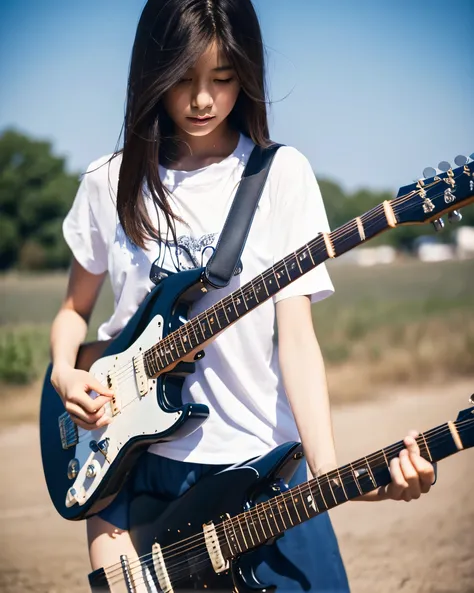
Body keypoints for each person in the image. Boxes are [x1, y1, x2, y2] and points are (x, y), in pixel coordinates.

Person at [49, 0, 435, 590]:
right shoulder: (109, 180)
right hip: (129, 474)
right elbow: (74, 311)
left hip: (261, 463)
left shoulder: (281, 175)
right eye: (182, 78)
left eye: (223, 79)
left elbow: (297, 342)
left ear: (247, 76)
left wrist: (329, 469)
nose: (202, 100)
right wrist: (63, 375)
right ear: (150, 73)